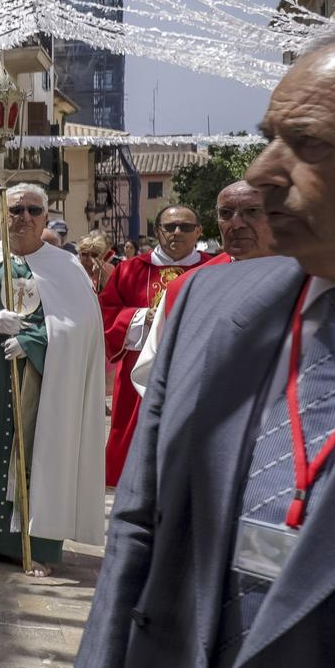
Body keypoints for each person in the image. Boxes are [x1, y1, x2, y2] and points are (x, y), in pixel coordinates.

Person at [58, 28, 335, 668]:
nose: (263, 173)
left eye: (304, 144)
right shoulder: (215, 309)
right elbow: (143, 519)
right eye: (269, 135)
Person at [0, 185, 108, 575]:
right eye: (16, 209)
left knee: (40, 457)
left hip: (43, 384)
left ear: (45, 215)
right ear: (1, 215)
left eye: (34, 210)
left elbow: (81, 329)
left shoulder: (66, 268)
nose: (25, 217)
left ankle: (33, 544)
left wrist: (33, 340)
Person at [99, 203, 218, 485]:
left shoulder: (214, 267)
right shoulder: (130, 270)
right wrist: (143, 316)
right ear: (157, 231)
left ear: (198, 231)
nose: (177, 233)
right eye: (170, 227)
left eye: (186, 227)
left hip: (198, 367)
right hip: (140, 369)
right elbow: (106, 314)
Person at [131, 181, 278, 395]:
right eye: (226, 213)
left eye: (252, 211)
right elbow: (151, 373)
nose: (235, 224)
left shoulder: (311, 278)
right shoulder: (187, 288)